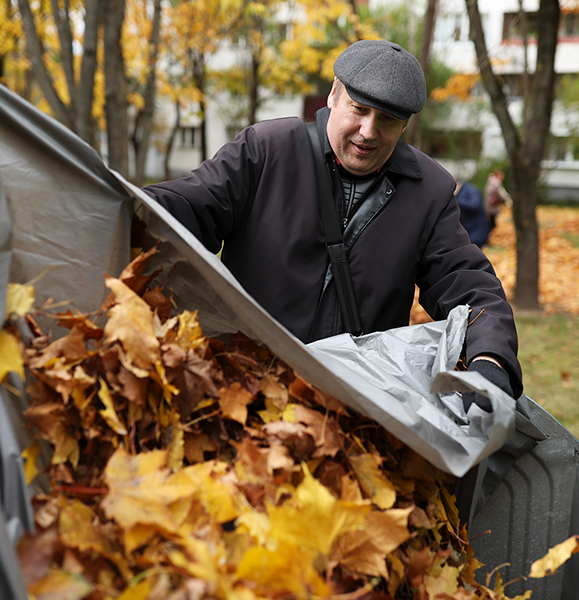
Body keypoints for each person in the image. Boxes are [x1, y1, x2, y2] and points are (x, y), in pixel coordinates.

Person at [143, 39, 523, 405]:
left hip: (352, 408)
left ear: (405, 125)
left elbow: (467, 282)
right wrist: (119, 202)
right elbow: (185, 206)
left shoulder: (430, 191)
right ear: (333, 95)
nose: (369, 132)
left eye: (388, 119)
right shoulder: (266, 151)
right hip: (241, 386)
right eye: (359, 109)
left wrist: (490, 357)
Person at [455, 179, 489, 248]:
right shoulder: (461, 192)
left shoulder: (471, 190)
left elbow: (475, 205)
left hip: (476, 231)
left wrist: (456, 200)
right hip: (468, 231)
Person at [483, 168, 511, 243]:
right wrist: (508, 200)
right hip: (491, 206)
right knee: (491, 224)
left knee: (490, 223)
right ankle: (485, 239)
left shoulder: (490, 182)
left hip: (488, 205)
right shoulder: (496, 184)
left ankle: (486, 239)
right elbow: (501, 194)